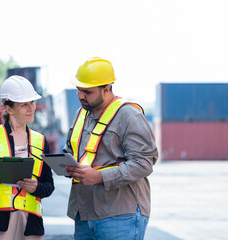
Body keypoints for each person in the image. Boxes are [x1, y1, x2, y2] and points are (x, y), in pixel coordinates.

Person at [64, 57, 159, 240]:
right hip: (83, 213)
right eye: (78, 90)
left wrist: (100, 176)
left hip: (120, 215)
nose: (80, 96)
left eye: (87, 91)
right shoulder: (81, 115)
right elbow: (74, 151)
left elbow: (144, 163)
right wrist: (67, 165)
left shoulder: (129, 115)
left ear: (106, 89)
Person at [0, 75, 54, 240]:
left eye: (32, 102)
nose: (31, 108)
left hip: (30, 226)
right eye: (24, 104)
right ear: (8, 108)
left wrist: (36, 187)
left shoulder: (41, 141)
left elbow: (48, 186)